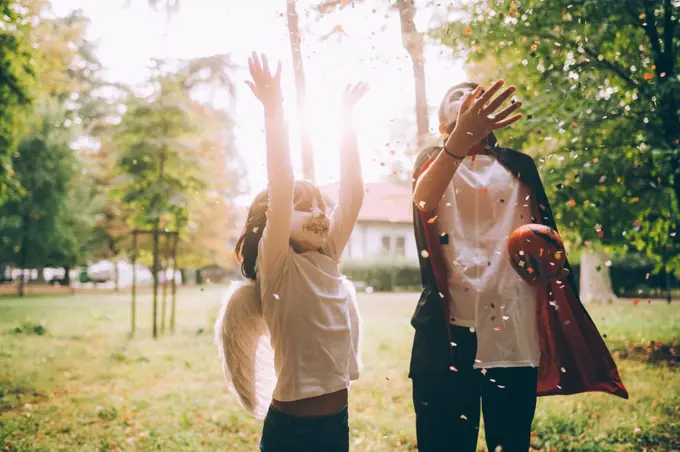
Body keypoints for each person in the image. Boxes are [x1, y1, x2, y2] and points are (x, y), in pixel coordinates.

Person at [409, 80, 628, 452]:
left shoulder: (520, 167)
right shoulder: (432, 161)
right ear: (443, 117)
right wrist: (460, 140)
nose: (465, 97)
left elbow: (546, 240)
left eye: (474, 92)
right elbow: (423, 201)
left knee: (510, 443)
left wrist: (551, 267)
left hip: (513, 327)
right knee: (442, 443)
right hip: (447, 335)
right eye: (455, 95)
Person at [215, 53, 367, 452]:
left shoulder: (328, 256)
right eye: (305, 207)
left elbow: (353, 194)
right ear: (276, 220)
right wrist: (274, 110)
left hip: (336, 424)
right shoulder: (279, 266)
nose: (319, 212)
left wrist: (346, 123)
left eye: (321, 205)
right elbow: (281, 184)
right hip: (290, 432)